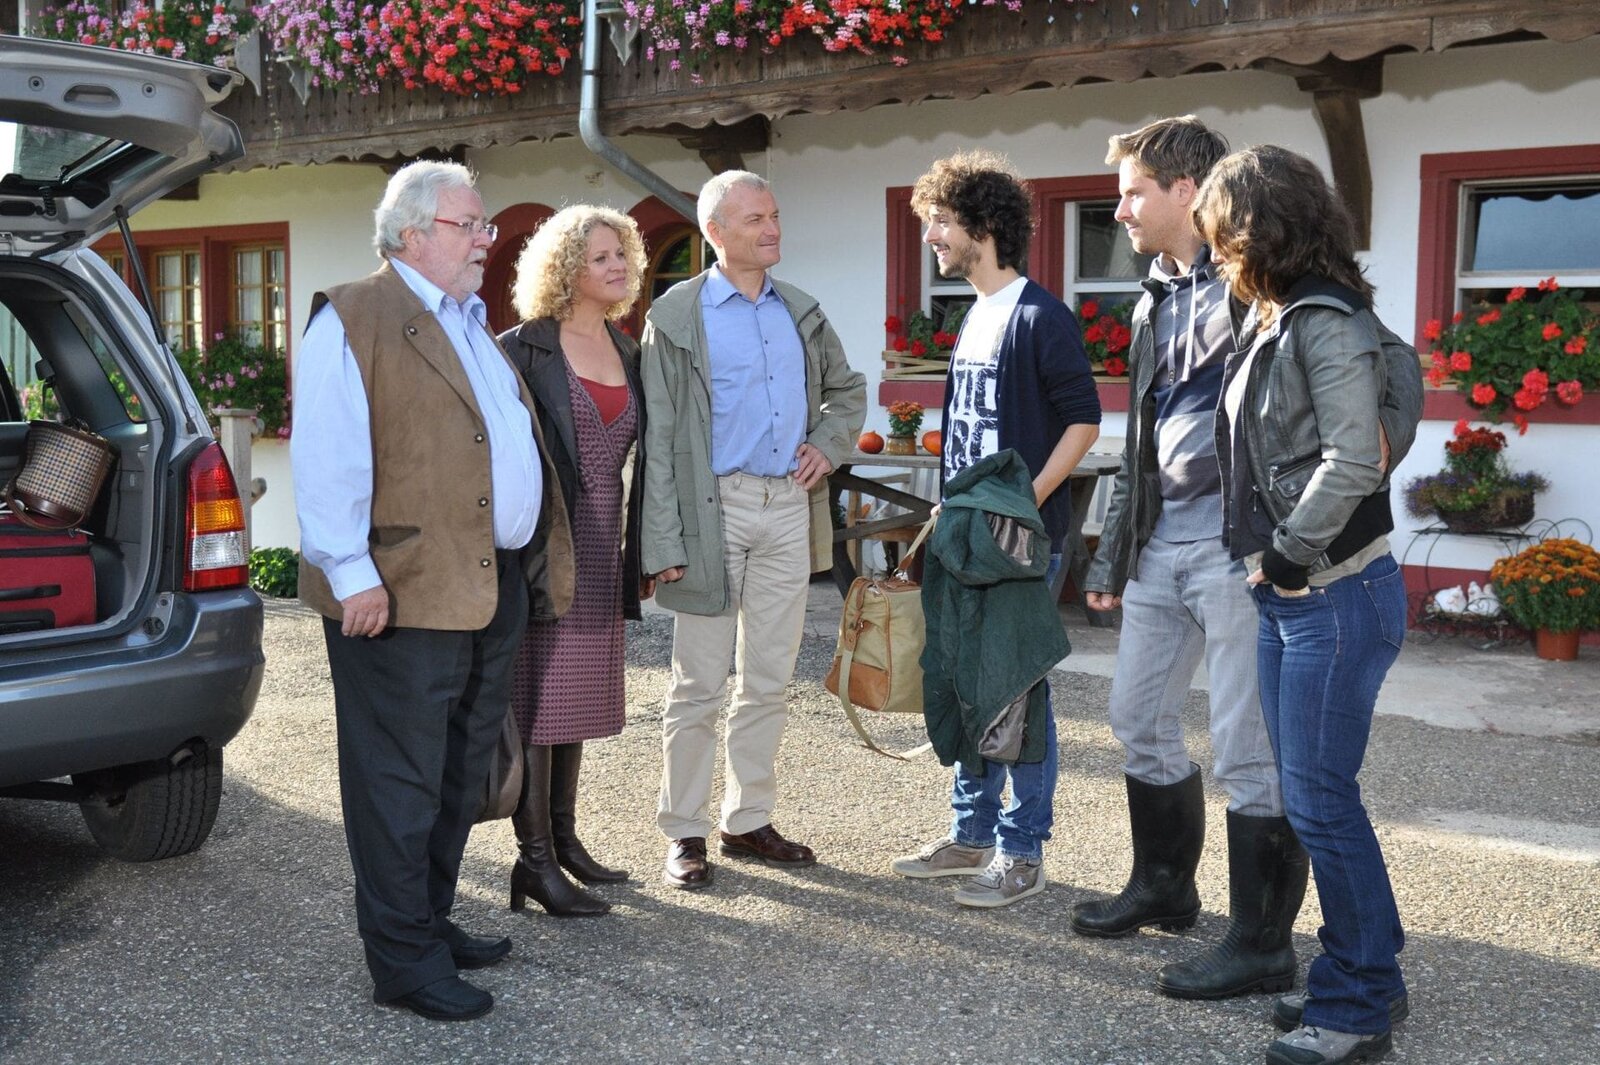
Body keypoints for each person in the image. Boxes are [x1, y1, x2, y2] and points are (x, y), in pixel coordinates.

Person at [292, 161, 572, 1022]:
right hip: (400, 590)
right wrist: (350, 574)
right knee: (398, 782)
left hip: (487, 584)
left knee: (456, 774)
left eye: (485, 224)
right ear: (412, 234)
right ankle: (403, 962)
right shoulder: (354, 315)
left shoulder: (470, 321)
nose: (488, 239)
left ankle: (428, 921)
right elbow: (327, 453)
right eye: (470, 224)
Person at [1072, 116, 1310, 1002]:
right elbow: (1145, 437)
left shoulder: (1260, 280)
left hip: (1239, 549)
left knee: (1249, 747)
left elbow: (1345, 394)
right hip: (1162, 540)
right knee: (1136, 720)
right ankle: (1165, 886)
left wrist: (1292, 536)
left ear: (1185, 191)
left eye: (1133, 193)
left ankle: (1261, 944)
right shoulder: (1155, 296)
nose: (1120, 210)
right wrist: (1113, 554)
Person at [1194, 144, 1415, 1065]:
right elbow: (1399, 382)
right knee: (1317, 798)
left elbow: (1358, 450)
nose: (1215, 255)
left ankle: (1357, 1003)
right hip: (1303, 596)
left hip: (1333, 593)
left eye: (1222, 237)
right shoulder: (1287, 313)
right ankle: (1366, 975)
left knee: (1322, 804)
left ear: (1260, 229)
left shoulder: (1324, 318)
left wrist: (1289, 551)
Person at [641, 170, 866, 890]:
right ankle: (684, 830)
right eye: (754, 219)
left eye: (774, 215)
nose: (772, 229)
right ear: (715, 232)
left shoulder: (799, 309)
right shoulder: (676, 316)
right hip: (714, 510)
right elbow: (659, 435)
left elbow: (847, 392)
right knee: (698, 683)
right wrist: (662, 541)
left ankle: (747, 819)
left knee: (768, 679)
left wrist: (827, 444)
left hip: (788, 507)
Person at [890, 149, 1100, 908]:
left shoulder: (1041, 317)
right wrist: (954, 505)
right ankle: (971, 836)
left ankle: (1022, 852)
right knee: (966, 679)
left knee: (1018, 688)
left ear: (983, 225)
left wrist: (1023, 502)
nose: (931, 238)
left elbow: (1083, 420)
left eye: (940, 222)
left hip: (1019, 540)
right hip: (964, 534)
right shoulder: (975, 315)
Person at [497, 206, 650, 917]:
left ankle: (564, 840)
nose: (618, 266)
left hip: (603, 543)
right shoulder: (522, 349)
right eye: (600, 257)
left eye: (622, 254)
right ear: (565, 268)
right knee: (539, 701)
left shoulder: (628, 349)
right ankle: (533, 862)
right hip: (543, 546)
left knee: (577, 698)